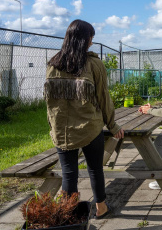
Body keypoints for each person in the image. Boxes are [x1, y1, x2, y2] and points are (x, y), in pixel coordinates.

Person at [44, 20, 124, 219]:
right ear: (83, 39)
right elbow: (103, 98)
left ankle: (68, 215)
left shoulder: (53, 63)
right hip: (90, 127)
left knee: (69, 173)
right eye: (90, 38)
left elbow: (49, 102)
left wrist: (53, 126)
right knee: (95, 169)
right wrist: (112, 125)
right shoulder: (93, 64)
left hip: (61, 130)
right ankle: (101, 208)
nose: (91, 42)